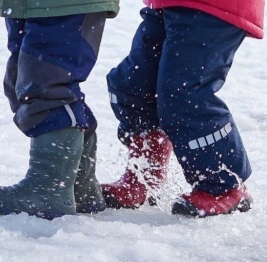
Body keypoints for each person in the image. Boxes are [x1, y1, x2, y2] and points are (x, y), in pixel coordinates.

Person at [101, 0, 265, 217]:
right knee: (133, 85)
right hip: (166, 4)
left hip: (214, 6)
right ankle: (145, 173)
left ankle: (224, 184)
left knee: (184, 94)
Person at [0, 0, 120, 220]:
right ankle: (77, 185)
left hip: (63, 5)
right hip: (27, 5)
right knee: (24, 78)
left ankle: (50, 189)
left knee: (46, 81)